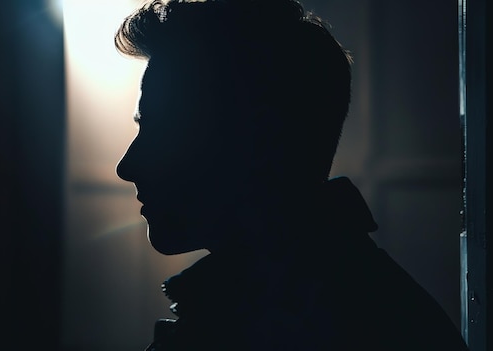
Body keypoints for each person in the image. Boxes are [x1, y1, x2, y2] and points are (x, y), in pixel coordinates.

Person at [114, 0, 469, 350]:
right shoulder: (359, 298)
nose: (126, 166)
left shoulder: (297, 325)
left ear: (260, 139)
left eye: (162, 131)